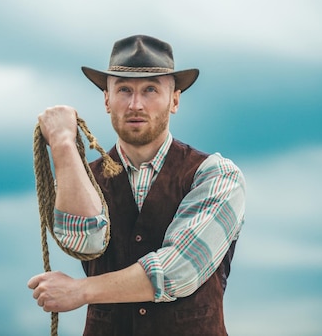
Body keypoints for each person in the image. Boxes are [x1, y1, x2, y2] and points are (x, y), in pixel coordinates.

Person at [27, 34, 246, 335]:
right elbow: (82, 242)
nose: (135, 104)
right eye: (124, 90)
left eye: (151, 90)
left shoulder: (216, 176)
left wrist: (81, 291)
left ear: (175, 100)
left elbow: (178, 271)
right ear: (106, 99)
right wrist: (64, 144)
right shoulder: (83, 179)